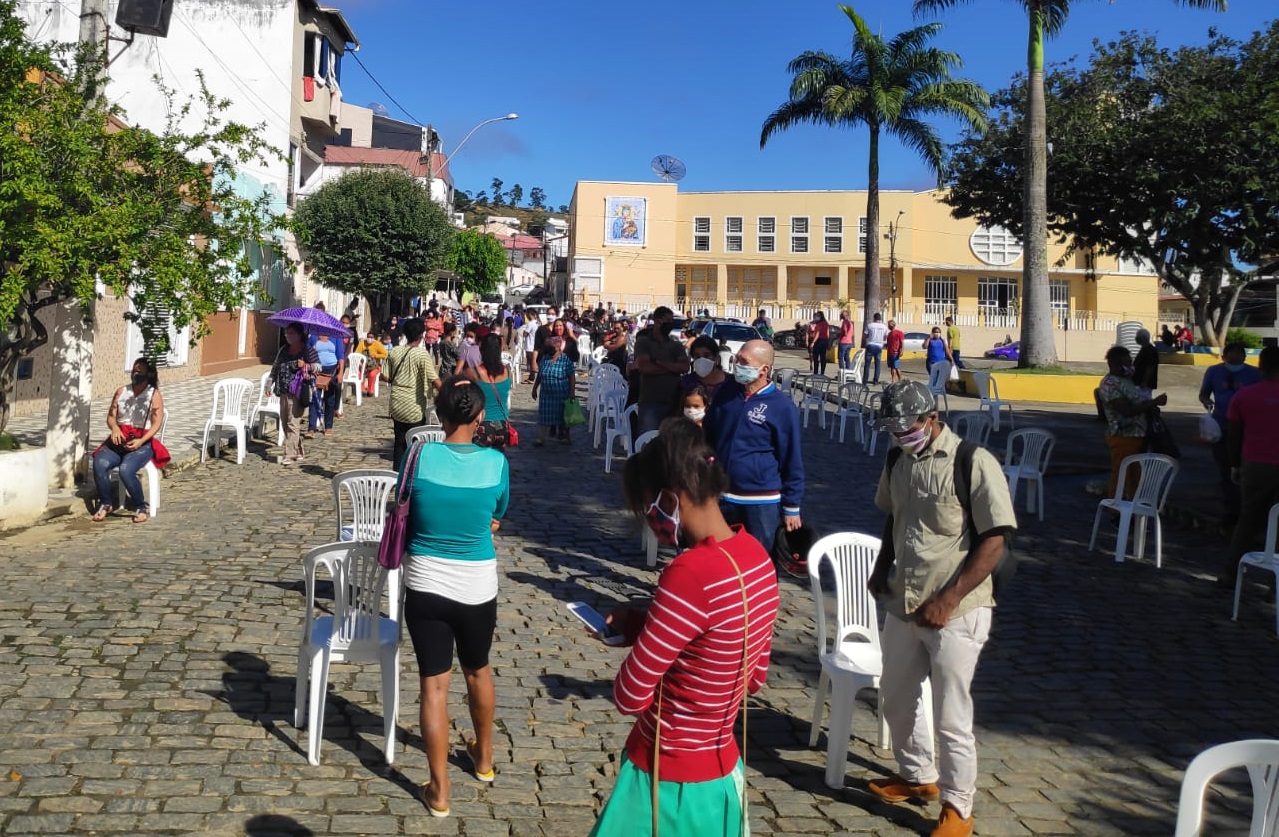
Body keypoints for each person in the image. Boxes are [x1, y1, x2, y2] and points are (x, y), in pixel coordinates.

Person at [590, 418, 781, 837]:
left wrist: (647, 638)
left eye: (648, 507)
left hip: (665, 779)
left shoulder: (688, 574)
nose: (651, 519)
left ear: (669, 498)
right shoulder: (756, 557)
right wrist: (646, 624)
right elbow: (752, 677)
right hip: (723, 773)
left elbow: (630, 693)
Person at [867, 380, 1017, 837]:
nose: (899, 435)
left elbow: (995, 538)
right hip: (903, 598)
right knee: (894, 694)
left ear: (931, 418)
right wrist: (881, 570)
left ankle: (958, 807)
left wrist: (949, 599)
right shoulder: (898, 458)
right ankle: (918, 777)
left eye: (905, 426)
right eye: (891, 429)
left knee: (952, 714)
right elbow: (895, 516)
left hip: (957, 606)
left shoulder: (972, 461)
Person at [403, 379, 510, 819]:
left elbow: (401, 504)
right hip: (476, 584)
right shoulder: (496, 462)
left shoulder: (418, 456)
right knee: (477, 669)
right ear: (480, 416)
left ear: (439, 415)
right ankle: (483, 760)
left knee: (434, 683)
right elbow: (497, 515)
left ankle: (440, 789)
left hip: (427, 581)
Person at [705, 339, 804, 557]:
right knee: (720, 559)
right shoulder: (725, 393)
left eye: (743, 361)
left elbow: (791, 458)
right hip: (721, 495)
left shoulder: (782, 407)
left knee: (760, 560)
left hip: (761, 501)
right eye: (737, 358)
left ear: (763, 369)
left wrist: (792, 506)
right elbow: (709, 437)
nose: (736, 364)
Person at [1222, 345, 1279, 589]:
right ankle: (1274, 583)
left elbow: (1234, 435)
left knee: (1248, 521)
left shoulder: (1244, 396)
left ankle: (1231, 574)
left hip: (1254, 466)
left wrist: (1234, 464)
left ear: (1260, 366)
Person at [91, 357, 169, 523]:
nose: (136, 373)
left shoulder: (153, 395)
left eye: (140, 371)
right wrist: (115, 428)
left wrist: (141, 441)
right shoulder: (121, 392)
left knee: (126, 470)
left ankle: (141, 506)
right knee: (99, 463)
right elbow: (111, 417)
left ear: (149, 374)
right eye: (134, 370)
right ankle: (106, 503)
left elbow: (157, 424)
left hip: (142, 442)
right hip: (119, 441)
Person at [1199, 343, 1261, 533]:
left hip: (1247, 428)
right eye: (1231, 359)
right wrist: (1207, 401)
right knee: (1226, 470)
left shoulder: (1254, 374)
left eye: (1239, 358)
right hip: (1221, 426)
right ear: (1225, 357)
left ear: (1244, 357)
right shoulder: (1214, 372)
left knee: (1247, 470)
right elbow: (1203, 393)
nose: (1235, 362)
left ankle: (1248, 511)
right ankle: (1231, 511)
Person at [1097, 346, 1167, 500]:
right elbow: (1126, 410)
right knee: (1121, 473)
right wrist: (1153, 402)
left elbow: (1136, 402)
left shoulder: (1126, 380)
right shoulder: (1110, 384)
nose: (1131, 366)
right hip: (1123, 436)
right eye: (1128, 363)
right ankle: (1116, 510)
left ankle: (1133, 506)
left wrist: (1150, 407)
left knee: (1135, 475)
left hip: (1137, 435)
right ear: (1116, 363)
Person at [382, 318, 441, 468]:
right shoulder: (422, 355)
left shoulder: (395, 351)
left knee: (399, 442)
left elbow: (385, 376)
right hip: (414, 406)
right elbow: (434, 379)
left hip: (396, 403)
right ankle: (411, 476)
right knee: (414, 444)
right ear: (421, 335)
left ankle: (397, 475)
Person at [269, 324, 321, 466]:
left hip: (298, 391)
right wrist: (269, 384)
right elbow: (275, 368)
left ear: (299, 335)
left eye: (291, 333)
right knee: (285, 423)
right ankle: (299, 450)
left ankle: (289, 454)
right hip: (283, 391)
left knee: (293, 423)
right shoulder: (283, 350)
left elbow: (318, 367)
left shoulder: (307, 350)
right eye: (286, 333)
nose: (288, 336)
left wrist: (306, 365)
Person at [634, 307, 689, 436]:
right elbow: (645, 367)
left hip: (673, 401)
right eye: (668, 321)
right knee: (647, 441)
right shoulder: (644, 342)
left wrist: (659, 362)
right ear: (657, 321)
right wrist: (672, 367)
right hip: (650, 401)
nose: (670, 324)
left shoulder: (676, 345)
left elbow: (684, 367)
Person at [473, 334, 514, 451]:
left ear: (482, 350)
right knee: (498, 459)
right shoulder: (506, 371)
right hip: (503, 424)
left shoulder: (476, 372)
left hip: (483, 425)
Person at [535, 336, 576, 446]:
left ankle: (565, 436)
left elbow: (572, 376)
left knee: (563, 416)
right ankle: (541, 437)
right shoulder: (545, 358)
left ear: (558, 347)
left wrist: (572, 391)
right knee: (544, 415)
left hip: (561, 392)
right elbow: (539, 374)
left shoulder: (565, 359)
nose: (548, 349)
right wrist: (534, 388)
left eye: (550, 347)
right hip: (546, 394)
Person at [307, 331, 344, 437]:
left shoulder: (336, 336)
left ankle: (328, 426)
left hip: (331, 371)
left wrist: (340, 373)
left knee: (330, 400)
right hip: (317, 370)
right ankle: (311, 428)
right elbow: (307, 351)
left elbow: (340, 356)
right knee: (314, 399)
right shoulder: (314, 336)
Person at [682, 335, 728, 403]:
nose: (702, 359)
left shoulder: (730, 383)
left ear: (716, 357)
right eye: (697, 356)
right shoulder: (687, 381)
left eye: (706, 355)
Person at [356, 331, 388, 397]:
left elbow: (385, 354)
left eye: (371, 337)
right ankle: (362, 390)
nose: (369, 338)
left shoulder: (378, 344)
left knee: (372, 374)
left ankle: (370, 391)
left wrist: (375, 355)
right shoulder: (362, 343)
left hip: (375, 365)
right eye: (368, 337)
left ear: (374, 338)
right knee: (359, 374)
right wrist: (360, 363)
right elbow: (357, 353)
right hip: (364, 365)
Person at [863, 312, 889, 384]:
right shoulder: (884, 327)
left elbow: (865, 336)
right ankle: (875, 380)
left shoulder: (870, 325)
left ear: (874, 318)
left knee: (867, 364)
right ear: (880, 319)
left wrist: (870, 336)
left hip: (870, 345)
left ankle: (865, 380)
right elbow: (885, 338)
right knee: (877, 364)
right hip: (879, 346)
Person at [809, 311, 830, 377]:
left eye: (817, 316)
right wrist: (828, 342)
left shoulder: (819, 324)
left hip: (819, 341)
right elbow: (828, 334)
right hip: (825, 341)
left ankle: (815, 373)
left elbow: (817, 334)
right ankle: (822, 373)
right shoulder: (826, 323)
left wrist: (813, 342)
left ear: (820, 317)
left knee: (816, 357)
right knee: (823, 357)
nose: (816, 317)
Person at [885, 319, 906, 383]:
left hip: (895, 353)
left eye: (889, 325)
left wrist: (901, 350)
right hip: (890, 353)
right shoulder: (889, 334)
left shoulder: (899, 333)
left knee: (896, 367)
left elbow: (902, 343)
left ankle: (900, 380)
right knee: (892, 367)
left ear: (892, 325)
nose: (888, 326)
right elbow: (888, 343)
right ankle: (893, 380)